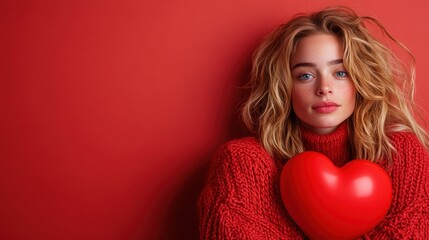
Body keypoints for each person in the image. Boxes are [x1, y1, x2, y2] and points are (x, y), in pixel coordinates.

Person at [198, 6, 429, 239]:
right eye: (305, 75)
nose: (324, 88)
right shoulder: (241, 162)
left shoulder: (400, 153)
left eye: (340, 72)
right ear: (284, 87)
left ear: (360, 80)